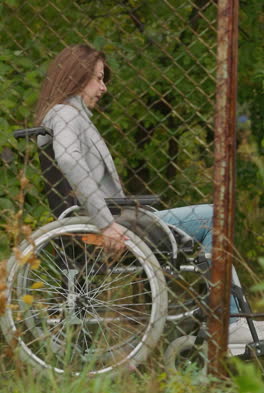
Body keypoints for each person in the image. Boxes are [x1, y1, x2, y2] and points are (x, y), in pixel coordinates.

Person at [35, 44, 264, 355]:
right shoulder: (65, 113)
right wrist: (106, 224)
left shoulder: (68, 115)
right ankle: (228, 318)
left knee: (214, 215)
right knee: (214, 215)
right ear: (78, 77)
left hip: (115, 217)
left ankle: (230, 316)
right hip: (111, 222)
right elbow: (70, 161)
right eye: (99, 78)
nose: (103, 88)